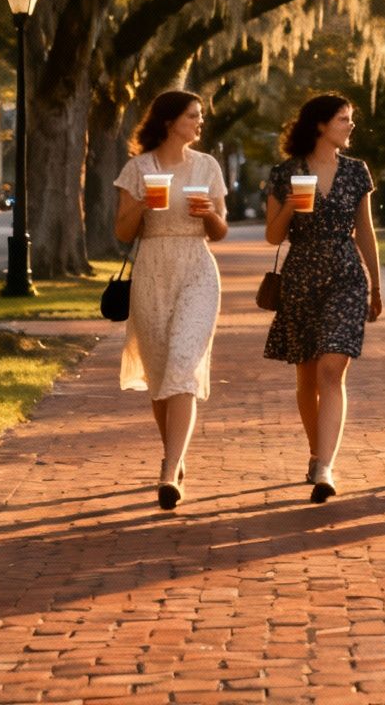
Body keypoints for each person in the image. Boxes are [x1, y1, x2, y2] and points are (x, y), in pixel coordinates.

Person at [111, 90, 228, 511]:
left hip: (197, 268)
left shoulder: (207, 166)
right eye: (193, 116)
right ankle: (173, 458)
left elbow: (220, 231)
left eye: (200, 116)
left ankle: (168, 469)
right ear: (169, 121)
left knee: (182, 367)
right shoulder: (137, 168)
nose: (200, 122)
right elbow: (123, 233)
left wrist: (208, 215)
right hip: (152, 270)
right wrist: (141, 204)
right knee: (161, 378)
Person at [264, 94, 382, 503]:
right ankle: (316, 454)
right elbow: (274, 236)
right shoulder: (286, 173)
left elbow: (364, 231)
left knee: (333, 369)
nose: (350, 126)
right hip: (302, 274)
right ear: (320, 126)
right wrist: (291, 207)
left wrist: (377, 283)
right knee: (308, 376)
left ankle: (326, 465)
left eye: (350, 119)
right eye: (343, 120)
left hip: (346, 274)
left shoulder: (356, 172)